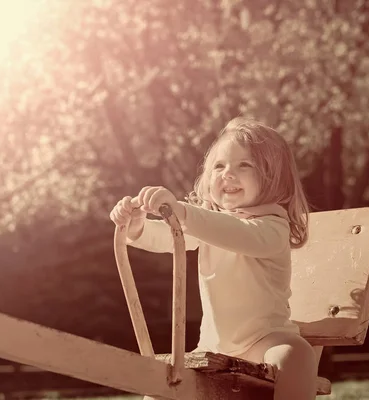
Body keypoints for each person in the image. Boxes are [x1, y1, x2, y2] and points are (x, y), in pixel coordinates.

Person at [110, 117, 318, 399]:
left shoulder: (272, 228)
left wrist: (182, 212)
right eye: (219, 166)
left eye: (245, 165)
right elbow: (171, 238)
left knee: (296, 355)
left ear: (273, 177)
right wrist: (137, 227)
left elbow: (236, 233)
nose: (228, 174)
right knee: (161, 385)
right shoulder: (209, 225)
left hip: (264, 339)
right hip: (213, 345)